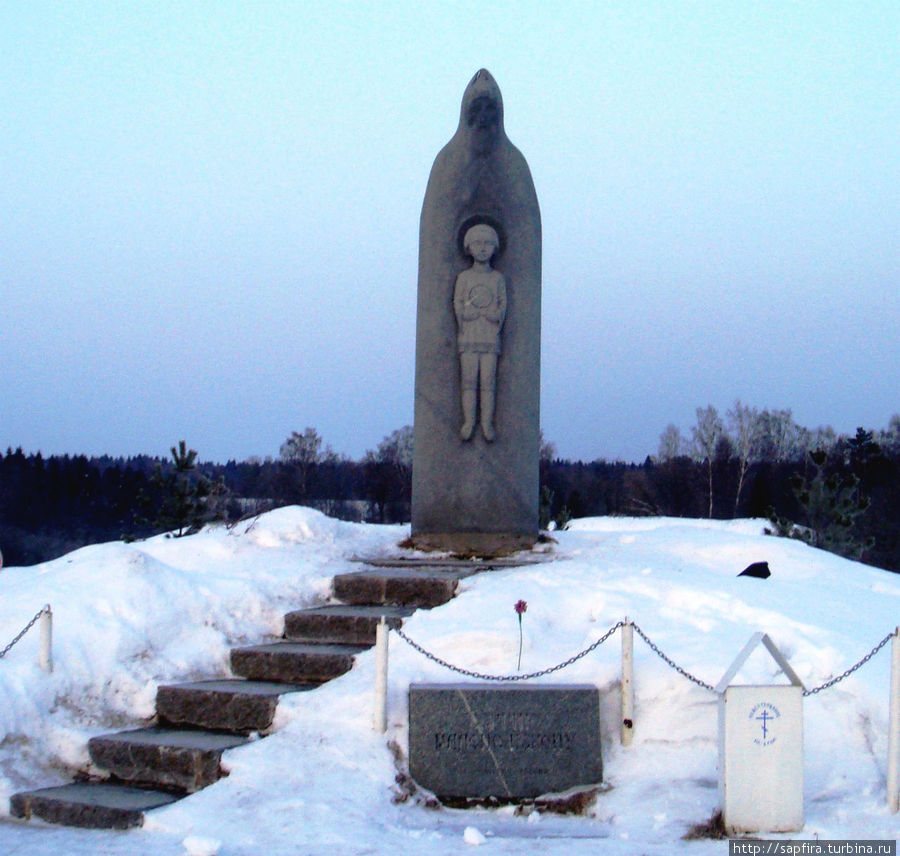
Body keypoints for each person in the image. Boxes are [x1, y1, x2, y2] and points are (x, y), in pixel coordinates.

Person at [454, 223, 506, 441]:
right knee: (468, 380)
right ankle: (469, 422)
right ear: (469, 247)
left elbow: (502, 304)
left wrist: (495, 315)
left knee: (488, 381)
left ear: (495, 247)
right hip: (469, 334)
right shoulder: (464, 277)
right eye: (478, 243)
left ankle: (486, 423)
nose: (483, 248)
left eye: (487, 244)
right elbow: (458, 302)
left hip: (489, 336)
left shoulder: (497, 278)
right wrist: (465, 314)